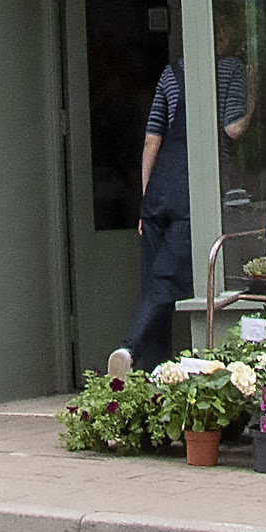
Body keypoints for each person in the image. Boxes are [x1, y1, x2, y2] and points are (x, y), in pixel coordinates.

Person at [107, 54, 192, 378]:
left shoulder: (169, 75)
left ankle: (154, 380)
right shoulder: (224, 74)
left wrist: (146, 201)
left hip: (157, 195)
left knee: (156, 291)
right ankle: (129, 349)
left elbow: (151, 139)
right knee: (163, 285)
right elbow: (234, 129)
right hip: (187, 195)